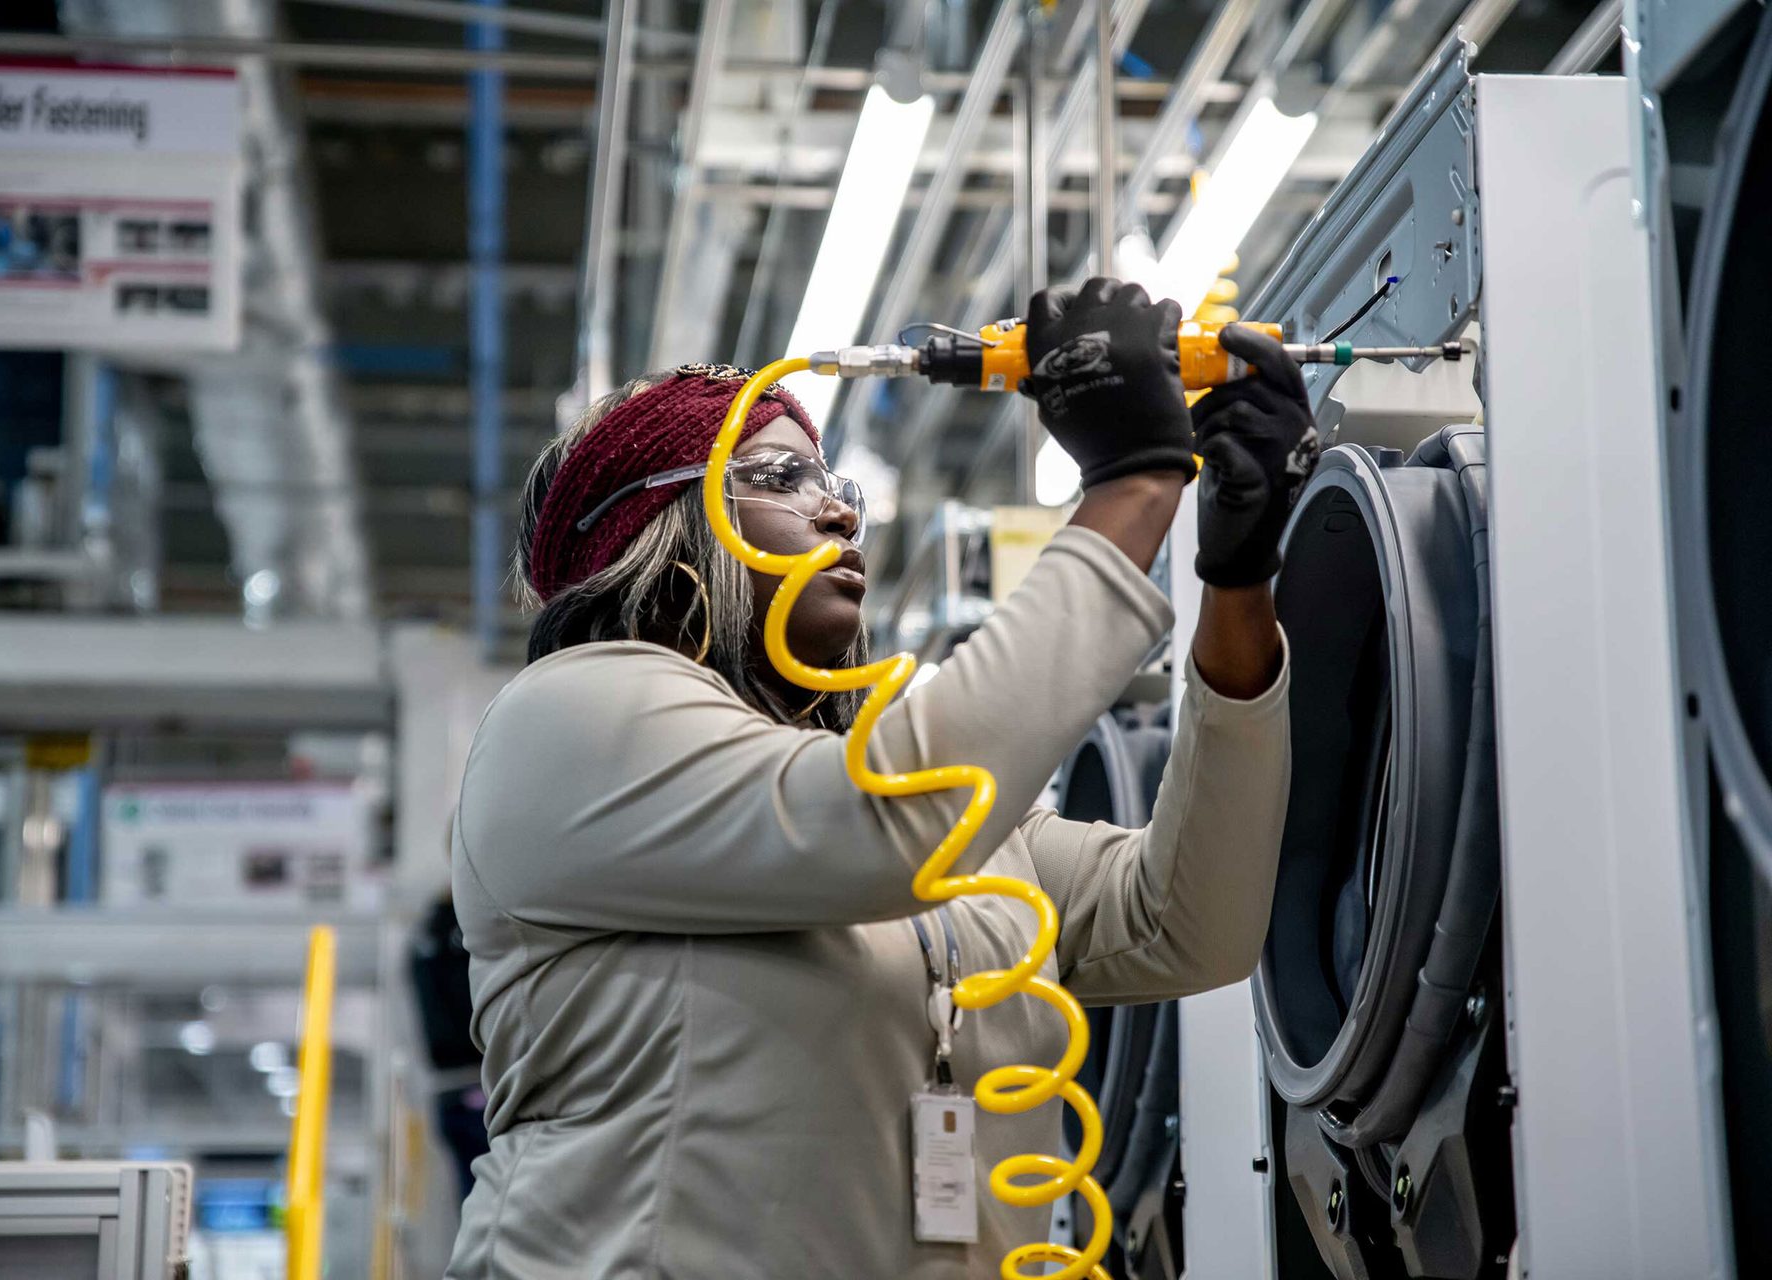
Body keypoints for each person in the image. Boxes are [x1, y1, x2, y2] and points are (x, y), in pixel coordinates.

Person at [446, 279, 1316, 1278]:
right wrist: (1134, 483)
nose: (839, 514)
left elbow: (1189, 921)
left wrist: (1236, 585)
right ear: (657, 525)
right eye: (782, 475)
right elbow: (889, 825)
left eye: (840, 487)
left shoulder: (900, 789)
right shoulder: (569, 723)